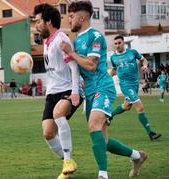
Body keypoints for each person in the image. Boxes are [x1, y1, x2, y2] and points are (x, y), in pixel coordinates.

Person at [60, 1, 147, 178]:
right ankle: (137, 156)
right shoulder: (76, 41)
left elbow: (91, 65)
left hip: (103, 86)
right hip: (90, 92)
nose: (69, 20)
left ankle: (103, 174)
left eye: (71, 16)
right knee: (102, 141)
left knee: (93, 125)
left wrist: (71, 52)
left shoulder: (95, 36)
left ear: (82, 17)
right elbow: (76, 67)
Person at [34, 4, 83, 179]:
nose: (36, 25)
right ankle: (67, 161)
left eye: (38, 21)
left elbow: (74, 67)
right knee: (48, 133)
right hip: (52, 93)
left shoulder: (61, 39)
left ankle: (68, 162)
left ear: (48, 22)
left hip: (69, 89)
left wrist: (76, 92)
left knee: (58, 114)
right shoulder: (47, 42)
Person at [108, 35, 161, 141]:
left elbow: (144, 60)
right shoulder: (113, 57)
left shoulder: (132, 52)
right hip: (125, 85)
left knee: (127, 106)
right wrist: (107, 75)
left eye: (119, 43)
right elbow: (114, 70)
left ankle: (110, 115)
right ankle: (150, 133)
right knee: (140, 107)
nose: (117, 45)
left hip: (135, 84)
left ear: (123, 43)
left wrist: (145, 65)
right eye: (116, 44)